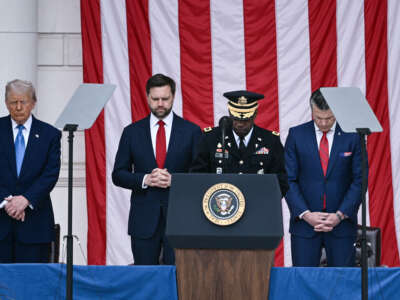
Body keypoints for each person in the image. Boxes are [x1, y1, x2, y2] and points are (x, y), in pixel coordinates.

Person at [112, 73, 202, 265]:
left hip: (180, 219)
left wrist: (175, 181)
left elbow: (201, 175)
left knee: (178, 281)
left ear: (173, 97)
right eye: (155, 99)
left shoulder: (191, 131)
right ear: (147, 97)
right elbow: (118, 174)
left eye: (165, 99)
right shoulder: (132, 132)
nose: (160, 104)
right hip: (143, 220)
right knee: (145, 280)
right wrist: (145, 179)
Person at [284, 88, 363, 267]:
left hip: (341, 225)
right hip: (305, 226)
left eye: (329, 118)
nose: (324, 123)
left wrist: (340, 214)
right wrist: (305, 214)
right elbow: (288, 179)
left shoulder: (353, 136)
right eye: (319, 118)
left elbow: (359, 180)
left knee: (342, 282)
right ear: (312, 111)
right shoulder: (297, 135)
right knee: (304, 281)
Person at [0, 79, 61, 263]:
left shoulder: (50, 134)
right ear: (6, 103)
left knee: (33, 285)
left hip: (35, 225)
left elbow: (50, 174)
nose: (18, 107)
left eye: (23, 102)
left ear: (33, 103)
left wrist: (25, 199)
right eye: (13, 102)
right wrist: (7, 202)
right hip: (1, 222)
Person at [190, 90, 288, 197]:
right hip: (221, 205)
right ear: (230, 113)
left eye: (246, 119)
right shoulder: (211, 138)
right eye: (235, 118)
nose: (240, 124)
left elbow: (281, 181)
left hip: (258, 206)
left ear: (255, 114)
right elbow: (197, 175)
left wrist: (264, 201)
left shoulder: (270, 140)